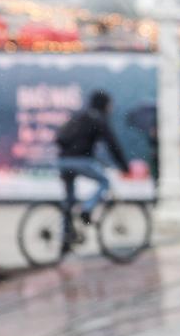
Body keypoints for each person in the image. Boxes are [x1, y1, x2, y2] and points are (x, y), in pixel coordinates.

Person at [55, 90, 130, 235]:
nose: (111, 108)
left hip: (63, 161)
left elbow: (61, 137)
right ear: (105, 105)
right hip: (80, 160)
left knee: (69, 201)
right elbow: (113, 145)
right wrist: (124, 166)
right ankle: (87, 208)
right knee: (105, 182)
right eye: (110, 105)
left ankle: (66, 236)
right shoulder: (98, 119)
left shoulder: (80, 116)